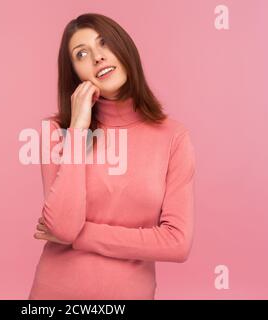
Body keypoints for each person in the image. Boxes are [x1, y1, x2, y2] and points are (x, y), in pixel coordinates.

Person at [28, 13, 196, 300]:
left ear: (124, 47)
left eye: (104, 43)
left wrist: (81, 236)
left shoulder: (173, 137)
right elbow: (64, 225)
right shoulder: (57, 131)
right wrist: (79, 129)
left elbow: (177, 243)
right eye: (82, 54)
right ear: (75, 73)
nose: (97, 57)